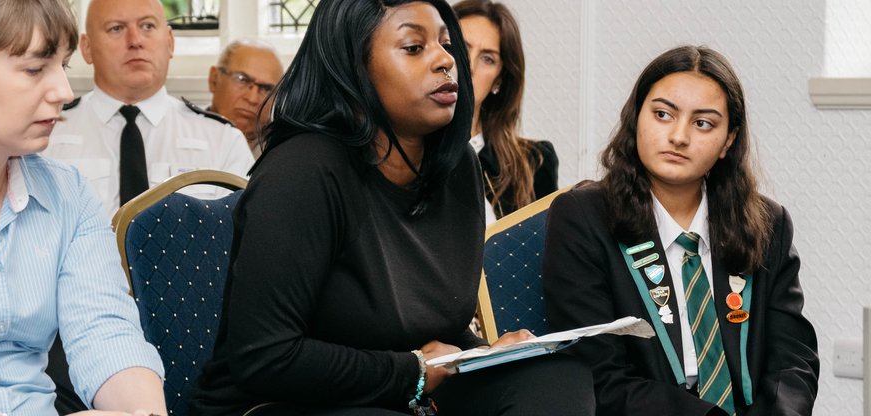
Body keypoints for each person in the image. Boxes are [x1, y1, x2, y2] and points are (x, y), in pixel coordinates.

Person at [190, 1, 595, 415]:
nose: (445, 60)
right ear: (354, 67)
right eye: (413, 47)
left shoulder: (458, 166)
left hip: (402, 390)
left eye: (445, 44)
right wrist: (411, 371)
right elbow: (265, 357)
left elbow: (439, 328)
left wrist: (487, 356)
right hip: (281, 400)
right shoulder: (302, 172)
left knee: (555, 375)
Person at [0, 0, 167, 415]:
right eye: (34, 69)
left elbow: (104, 331)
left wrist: (143, 413)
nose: (64, 93)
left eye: (63, 67)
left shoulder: (68, 194)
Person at [542, 45, 819, 416]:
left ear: (729, 141)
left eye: (702, 123)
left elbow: (794, 362)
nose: (679, 136)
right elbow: (597, 375)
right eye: (662, 115)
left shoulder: (767, 223)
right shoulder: (585, 218)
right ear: (635, 118)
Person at [44, 0, 255, 214]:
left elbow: (244, 239)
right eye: (116, 28)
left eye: (147, 26)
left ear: (170, 42)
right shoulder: (47, 134)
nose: (135, 41)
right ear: (87, 48)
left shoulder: (222, 142)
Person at [453, 0, 558, 222]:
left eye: (487, 59)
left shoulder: (534, 163)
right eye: (460, 47)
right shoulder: (398, 153)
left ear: (498, 81)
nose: (469, 66)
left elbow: (544, 253)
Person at [208, 39, 284, 158]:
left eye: (266, 88)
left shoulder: (285, 151)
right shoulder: (180, 132)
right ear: (214, 79)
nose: (252, 99)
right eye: (242, 79)